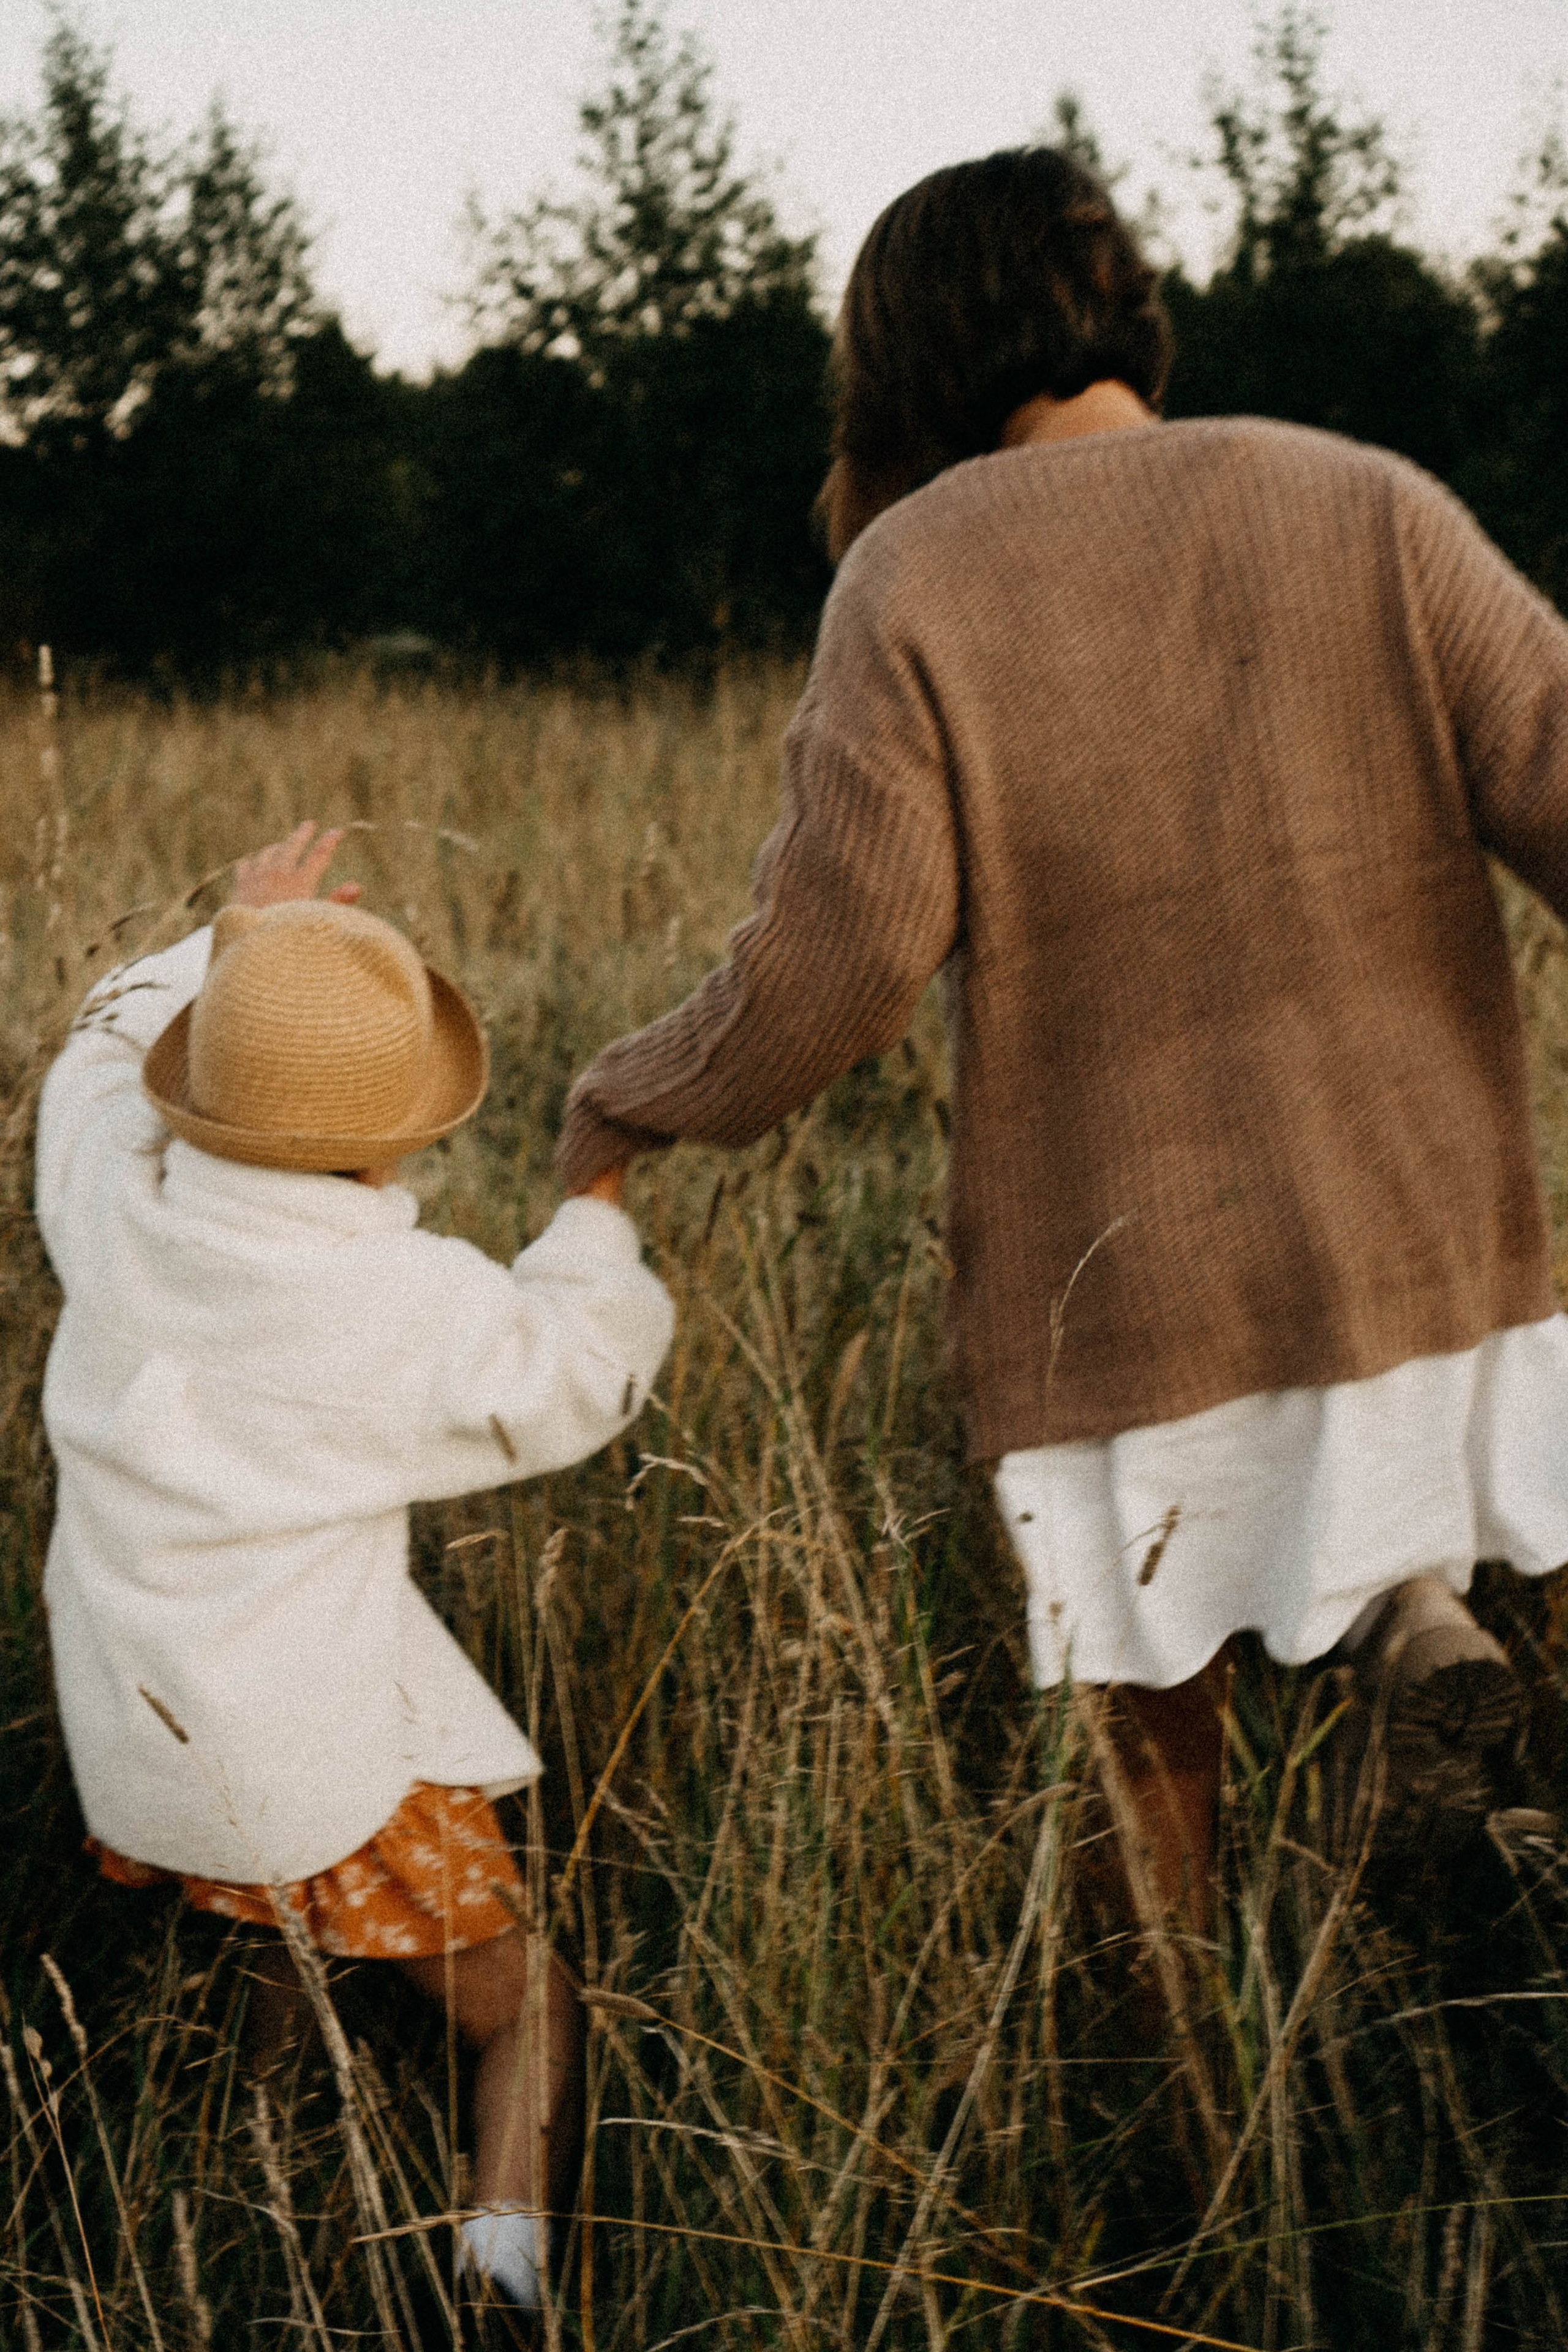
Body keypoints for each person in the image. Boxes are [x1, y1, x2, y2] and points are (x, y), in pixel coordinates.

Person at [556, 146, 1568, 1929]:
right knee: (1429, 1549)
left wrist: (627, 1100)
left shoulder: (916, 574)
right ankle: (1420, 1637)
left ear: (901, 356)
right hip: (1426, 1254)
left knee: (1153, 1751)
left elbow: (838, 972)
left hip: (1136, 1290)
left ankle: (1188, 2139)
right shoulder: (1369, 500)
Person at [36, 823, 674, 2321]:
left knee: (268, 1913)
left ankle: (223, 2168)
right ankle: (499, 2269)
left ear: (195, 1091)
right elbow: (573, 1377)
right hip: (310, 1738)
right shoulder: (391, 1302)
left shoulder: (112, 1201)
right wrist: (591, 1213)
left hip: (144, 1706)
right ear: (401, 1135)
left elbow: (88, 1062)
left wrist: (230, 938)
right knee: (528, 2008)